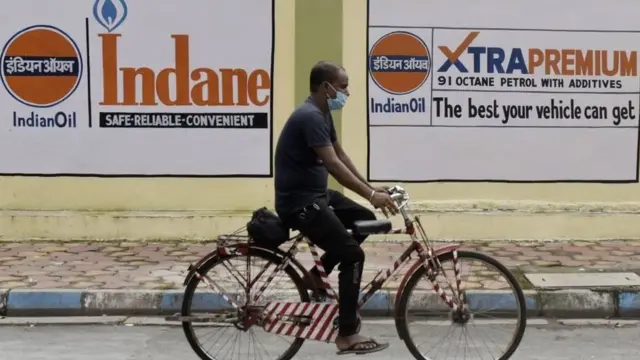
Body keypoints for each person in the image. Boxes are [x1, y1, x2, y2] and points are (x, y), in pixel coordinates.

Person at [274, 60, 398, 355]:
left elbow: (339, 154)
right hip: (300, 203)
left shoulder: (322, 113)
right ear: (326, 87)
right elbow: (331, 164)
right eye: (343, 87)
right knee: (352, 255)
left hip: (317, 196)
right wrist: (369, 194)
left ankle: (318, 275)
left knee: (365, 219)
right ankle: (346, 334)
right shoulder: (309, 117)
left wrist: (371, 188)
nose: (346, 92)